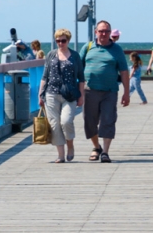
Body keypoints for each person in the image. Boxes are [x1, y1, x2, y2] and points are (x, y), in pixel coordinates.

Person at [81, 20, 130, 163]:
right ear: (96, 32)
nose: (103, 34)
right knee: (89, 121)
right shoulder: (88, 47)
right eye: (101, 31)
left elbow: (124, 71)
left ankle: (105, 153)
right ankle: (96, 147)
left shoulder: (117, 49)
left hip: (110, 91)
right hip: (90, 90)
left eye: (106, 31)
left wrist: (126, 92)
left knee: (108, 120)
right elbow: (78, 67)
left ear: (110, 33)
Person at [38, 29, 85, 163]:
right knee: (54, 124)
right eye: (58, 40)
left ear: (68, 40)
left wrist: (81, 96)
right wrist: (40, 95)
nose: (60, 43)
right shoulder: (51, 55)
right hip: (51, 93)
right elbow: (45, 76)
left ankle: (70, 146)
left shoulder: (75, 56)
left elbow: (81, 78)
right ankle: (61, 155)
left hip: (70, 94)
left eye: (63, 40)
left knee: (66, 121)